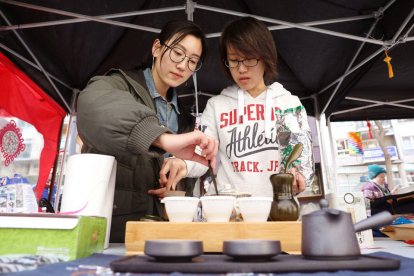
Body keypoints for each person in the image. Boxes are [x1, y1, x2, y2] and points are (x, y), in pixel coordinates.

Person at [77, 20, 218, 242]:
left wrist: (173, 187)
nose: (183, 65)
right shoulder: (120, 85)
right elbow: (91, 105)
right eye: (178, 53)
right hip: (111, 233)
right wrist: (160, 138)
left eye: (192, 61)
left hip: (162, 237)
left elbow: (184, 178)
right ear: (157, 48)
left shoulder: (184, 119)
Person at [159, 17, 314, 199]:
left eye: (248, 60)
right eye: (233, 61)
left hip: (276, 212)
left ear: (266, 57)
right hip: (228, 212)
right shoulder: (217, 106)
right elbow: (203, 156)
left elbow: (300, 165)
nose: (241, 69)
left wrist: (299, 179)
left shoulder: (288, 104)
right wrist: (182, 164)